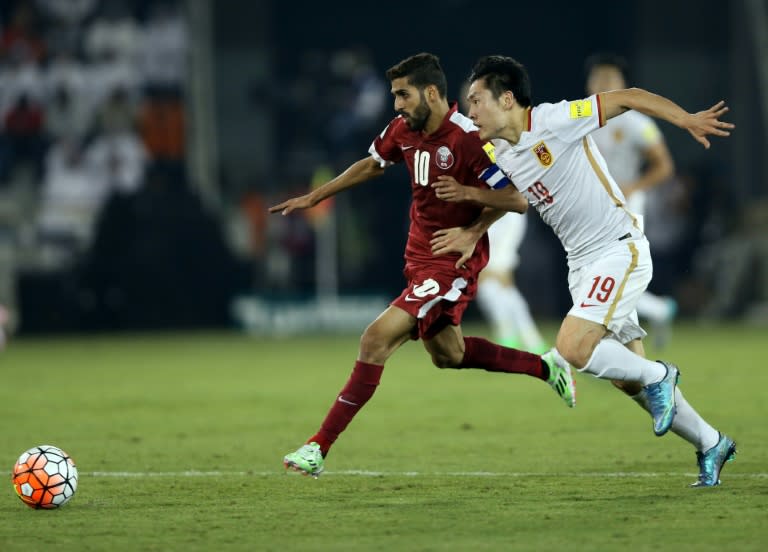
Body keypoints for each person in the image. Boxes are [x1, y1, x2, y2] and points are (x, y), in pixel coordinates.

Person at [431, 54, 736, 487]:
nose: (471, 110)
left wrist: (684, 118)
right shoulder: (500, 151)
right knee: (627, 380)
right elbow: (517, 200)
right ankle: (711, 442)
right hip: (582, 265)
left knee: (573, 348)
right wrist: (473, 230)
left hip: (618, 249)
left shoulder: (556, 120)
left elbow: (628, 97)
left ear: (507, 99)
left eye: (477, 100)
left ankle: (661, 375)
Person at [269, 52, 576, 478]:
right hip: (418, 258)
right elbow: (373, 164)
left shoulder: (469, 137)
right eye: (395, 95)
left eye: (402, 94)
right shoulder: (403, 130)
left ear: (431, 93)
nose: (395, 104)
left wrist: (470, 212)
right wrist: (315, 196)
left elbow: (516, 199)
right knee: (449, 354)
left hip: (451, 264)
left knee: (374, 339)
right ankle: (546, 366)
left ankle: (317, 447)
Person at [585, 52, 678, 348]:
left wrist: (633, 187)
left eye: (610, 78)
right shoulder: (581, 117)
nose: (603, 83)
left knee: (619, 270)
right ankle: (658, 312)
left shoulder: (637, 122)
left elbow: (664, 166)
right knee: (598, 272)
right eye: (598, 77)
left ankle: (618, 346)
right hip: (593, 207)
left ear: (622, 83)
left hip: (627, 206)